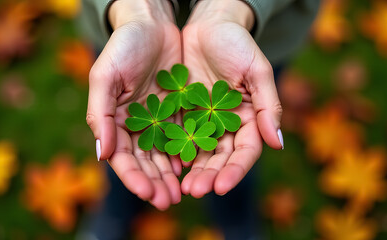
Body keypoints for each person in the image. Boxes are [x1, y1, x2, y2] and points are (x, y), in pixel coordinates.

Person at [79, 0, 319, 239]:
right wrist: (136, 8)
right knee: (123, 143)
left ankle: (234, 217)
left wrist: (229, 9)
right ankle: (117, 209)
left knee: (242, 141)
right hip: (128, 34)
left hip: (252, 38)